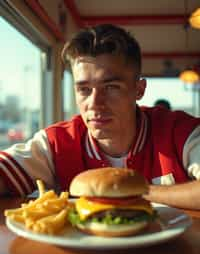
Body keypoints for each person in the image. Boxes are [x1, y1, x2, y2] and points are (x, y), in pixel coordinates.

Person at [0, 24, 200, 210]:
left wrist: (132, 190)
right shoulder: (57, 142)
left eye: (111, 87)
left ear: (139, 90)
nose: (95, 103)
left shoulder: (180, 131)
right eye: (84, 89)